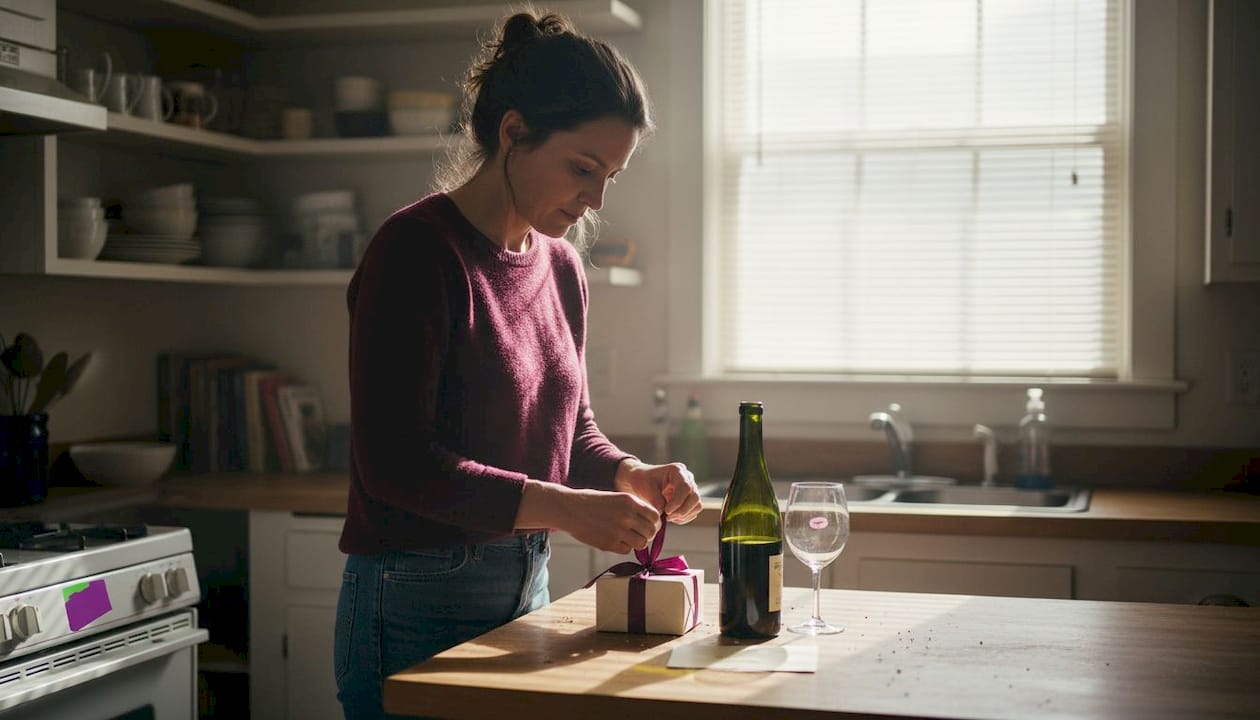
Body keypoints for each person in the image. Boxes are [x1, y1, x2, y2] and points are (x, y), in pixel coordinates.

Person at [334, 10, 703, 719]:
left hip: (526, 582)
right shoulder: (416, 253)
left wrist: (631, 474)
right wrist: (567, 509)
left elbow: (571, 431)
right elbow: (396, 465)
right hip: (414, 596)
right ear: (512, 133)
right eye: (582, 169)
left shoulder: (563, 268)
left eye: (612, 177)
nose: (596, 198)